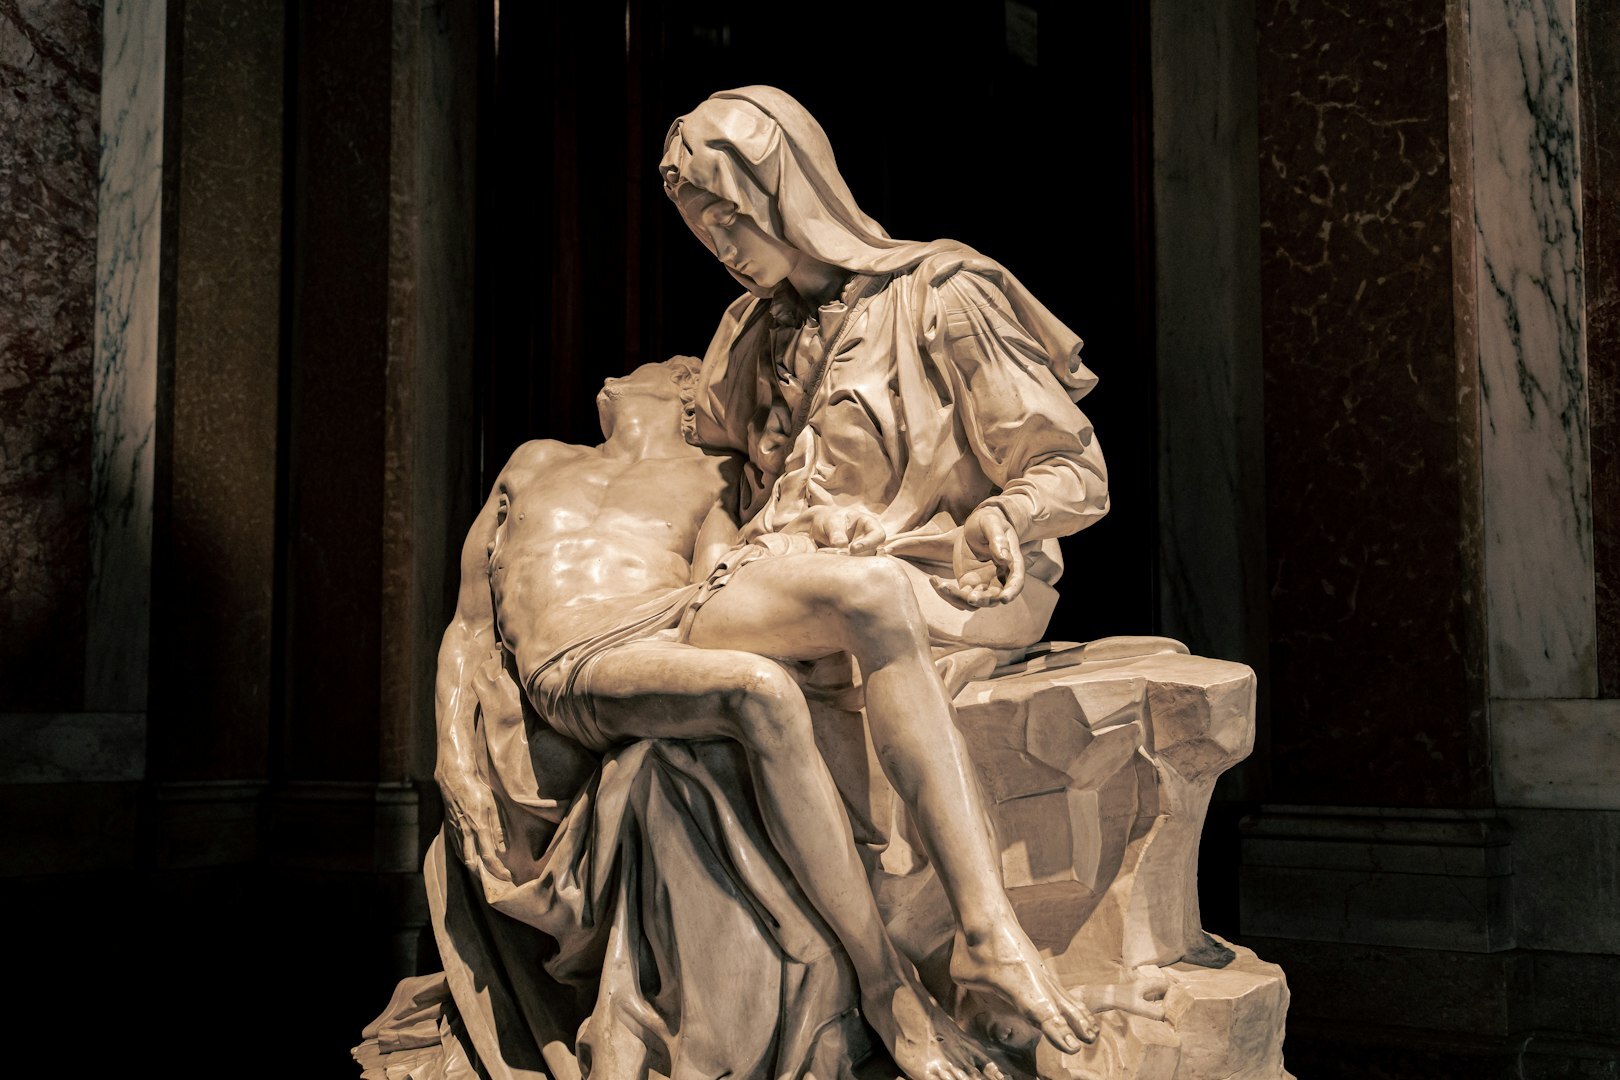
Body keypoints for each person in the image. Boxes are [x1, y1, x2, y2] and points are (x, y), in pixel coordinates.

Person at [660, 86, 1113, 1056]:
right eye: (700, 228)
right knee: (856, 598)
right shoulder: (745, 333)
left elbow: (1072, 469)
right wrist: (726, 546)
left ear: (789, 188)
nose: (721, 246)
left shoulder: (941, 296)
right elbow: (715, 483)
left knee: (872, 594)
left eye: (731, 216)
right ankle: (966, 943)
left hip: (947, 578)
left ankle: (970, 942)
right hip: (784, 585)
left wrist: (1005, 514)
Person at [435, 357, 1007, 1080]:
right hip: (576, 654)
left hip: (671, 626)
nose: (616, 373)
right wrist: (452, 759)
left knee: (846, 615)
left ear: (688, 391)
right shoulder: (534, 460)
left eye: (659, 364)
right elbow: (468, 625)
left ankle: (929, 957)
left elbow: (725, 575)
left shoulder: (717, 476)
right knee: (758, 691)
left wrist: (826, 524)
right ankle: (885, 984)